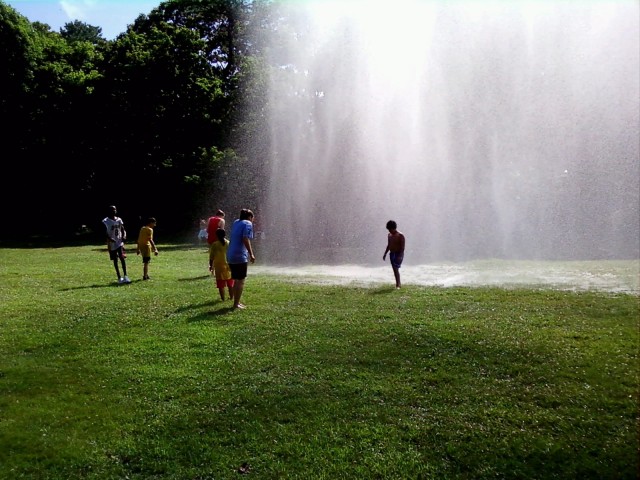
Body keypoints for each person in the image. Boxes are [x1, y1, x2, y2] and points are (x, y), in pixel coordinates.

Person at [227, 208, 255, 309]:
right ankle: (236, 304)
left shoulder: (236, 222)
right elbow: (245, 239)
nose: (252, 220)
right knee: (241, 280)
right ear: (249, 217)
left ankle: (236, 302)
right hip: (239, 255)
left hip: (230, 254)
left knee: (236, 279)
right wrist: (251, 254)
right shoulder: (248, 223)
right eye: (252, 218)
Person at [103, 205, 131, 284]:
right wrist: (109, 238)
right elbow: (103, 233)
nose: (114, 211)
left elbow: (122, 229)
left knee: (122, 258)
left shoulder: (119, 219)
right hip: (112, 243)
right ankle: (119, 277)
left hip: (119, 242)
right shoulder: (105, 221)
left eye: (115, 209)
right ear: (109, 211)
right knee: (115, 260)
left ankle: (126, 276)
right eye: (112, 209)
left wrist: (124, 235)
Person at [209, 228, 234, 301]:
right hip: (228, 266)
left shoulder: (215, 244)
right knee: (230, 283)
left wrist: (210, 265)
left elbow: (211, 257)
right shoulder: (229, 243)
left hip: (219, 267)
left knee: (220, 284)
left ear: (216, 235)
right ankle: (231, 297)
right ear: (225, 234)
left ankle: (223, 298)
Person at [383, 220, 405, 289]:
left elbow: (402, 247)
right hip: (392, 254)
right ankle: (398, 283)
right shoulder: (389, 235)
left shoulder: (400, 235)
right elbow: (389, 245)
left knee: (396, 269)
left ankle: (398, 284)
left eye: (390, 229)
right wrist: (385, 253)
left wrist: (400, 256)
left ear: (394, 228)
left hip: (398, 254)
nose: (389, 231)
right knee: (394, 269)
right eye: (388, 229)